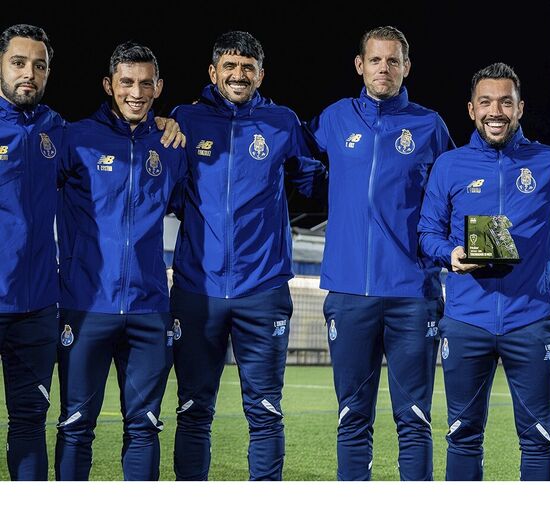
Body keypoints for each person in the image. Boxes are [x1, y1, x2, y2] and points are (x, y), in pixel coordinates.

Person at [169, 31, 320, 481]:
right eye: (230, 67)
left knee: (266, 411)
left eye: (248, 67)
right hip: (198, 289)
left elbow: (315, 179)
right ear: (213, 72)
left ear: (260, 73)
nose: (239, 75)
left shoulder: (283, 122)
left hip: (263, 289)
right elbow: (170, 192)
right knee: (194, 410)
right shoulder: (184, 120)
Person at [305, 26, 453, 481]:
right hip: (348, 293)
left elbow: (459, 192)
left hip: (412, 293)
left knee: (414, 420)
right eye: (375, 60)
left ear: (406, 67)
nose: (383, 69)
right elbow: (289, 161)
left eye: (393, 61)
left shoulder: (430, 126)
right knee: (352, 418)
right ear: (359, 65)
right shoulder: (333, 119)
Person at [419, 62, 550, 481]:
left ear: (520, 108)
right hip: (466, 320)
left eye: (505, 101)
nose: (495, 111)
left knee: (538, 438)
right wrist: (451, 253)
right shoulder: (449, 165)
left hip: (531, 320)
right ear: (470, 109)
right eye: (486, 102)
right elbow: (427, 232)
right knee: (463, 436)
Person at [54, 42, 187, 481]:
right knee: (75, 427)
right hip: (86, 306)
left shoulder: (171, 144)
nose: (136, 92)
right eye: (126, 82)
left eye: (146, 83)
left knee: (145, 428)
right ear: (109, 85)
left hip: (150, 309)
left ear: (158, 87)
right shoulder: (74, 138)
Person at [0, 23, 62, 481]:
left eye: (38, 66)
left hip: (38, 307)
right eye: (18, 63)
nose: (29, 74)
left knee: (30, 425)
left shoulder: (56, 129)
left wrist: (167, 120)